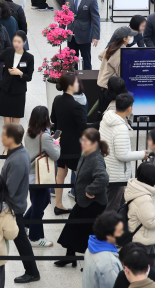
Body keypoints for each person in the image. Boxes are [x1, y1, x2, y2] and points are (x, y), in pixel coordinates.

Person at [57, 128, 111, 267]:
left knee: (85, 230)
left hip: (93, 204)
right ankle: (70, 256)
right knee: (73, 227)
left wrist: (90, 190)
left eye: (85, 141)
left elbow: (103, 177)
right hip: (85, 202)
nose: (82, 143)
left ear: (94, 143)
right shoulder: (87, 153)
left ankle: (87, 260)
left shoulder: (96, 158)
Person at [0, 123, 39, 283]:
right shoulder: (18, 152)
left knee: (21, 240)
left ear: (11, 138)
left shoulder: (17, 160)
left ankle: (32, 271)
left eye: (4, 135)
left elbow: (9, 191)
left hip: (13, 208)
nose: (1, 137)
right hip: (13, 205)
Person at [22, 107, 60, 248]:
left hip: (31, 174)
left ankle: (24, 223)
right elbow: (55, 155)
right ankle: (35, 238)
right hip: (41, 175)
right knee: (39, 207)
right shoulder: (44, 136)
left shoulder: (28, 134)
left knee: (41, 202)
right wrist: (56, 143)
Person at [50, 73, 89, 213]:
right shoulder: (76, 106)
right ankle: (82, 206)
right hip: (74, 145)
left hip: (60, 141)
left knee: (61, 173)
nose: (78, 84)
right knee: (80, 175)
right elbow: (83, 127)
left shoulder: (57, 100)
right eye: (76, 82)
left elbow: (53, 119)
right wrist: (99, 123)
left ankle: (58, 205)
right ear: (71, 86)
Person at [103, 93, 147, 211]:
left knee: (111, 203)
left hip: (107, 168)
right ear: (129, 108)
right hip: (117, 174)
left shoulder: (107, 118)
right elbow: (122, 155)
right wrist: (142, 154)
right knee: (113, 207)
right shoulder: (120, 128)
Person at [66, 0, 100, 69]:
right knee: (72, 60)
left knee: (86, 59)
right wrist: (61, 30)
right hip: (71, 34)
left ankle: (87, 77)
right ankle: (73, 76)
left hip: (84, 35)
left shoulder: (91, 0)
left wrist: (96, 35)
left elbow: (95, 18)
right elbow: (65, 14)